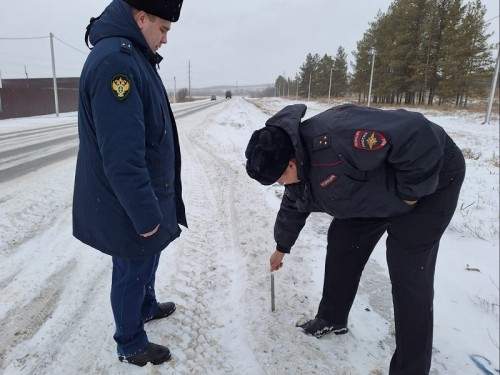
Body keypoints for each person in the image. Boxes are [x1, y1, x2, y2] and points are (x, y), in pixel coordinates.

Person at [245, 103, 465, 375]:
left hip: (429, 177)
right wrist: (281, 246)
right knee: (343, 242)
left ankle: (411, 369)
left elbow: (416, 132)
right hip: (373, 187)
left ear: (291, 162)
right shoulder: (296, 168)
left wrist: (410, 194)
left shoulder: (337, 136)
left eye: (280, 177)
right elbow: (294, 203)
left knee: (408, 271)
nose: (281, 184)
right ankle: (332, 318)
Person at [72, 0, 187, 367]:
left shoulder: (133, 54)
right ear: (141, 18)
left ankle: (146, 306)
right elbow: (121, 155)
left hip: (143, 195)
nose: (166, 39)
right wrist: (144, 213)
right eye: (164, 29)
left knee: (146, 258)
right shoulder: (116, 63)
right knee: (131, 268)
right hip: (125, 201)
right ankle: (130, 342)